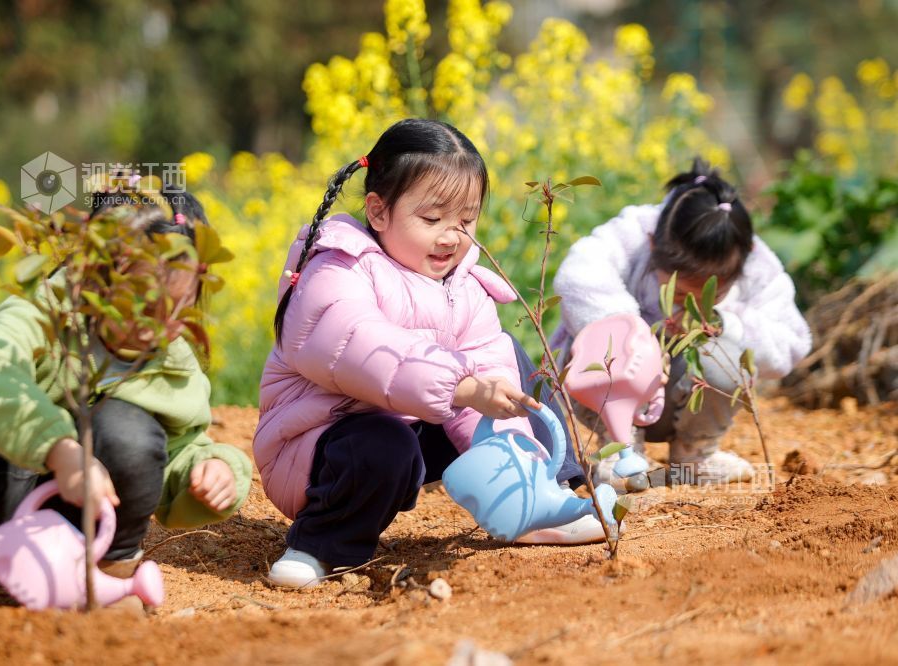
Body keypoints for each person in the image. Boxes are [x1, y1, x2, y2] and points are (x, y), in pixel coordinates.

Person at [255, 118, 605, 589]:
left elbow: (484, 371)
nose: (451, 236)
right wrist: (462, 387)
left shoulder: (463, 284)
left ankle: (539, 496)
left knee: (510, 363)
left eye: (466, 220)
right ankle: (320, 543)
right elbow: (361, 346)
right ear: (378, 212)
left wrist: (489, 409)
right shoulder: (336, 266)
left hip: (415, 423)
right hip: (322, 448)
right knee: (383, 442)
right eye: (432, 219)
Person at [0, 186, 252, 625]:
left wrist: (215, 469)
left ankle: (110, 584)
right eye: (143, 299)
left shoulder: (172, 363)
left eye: (181, 305)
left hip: (78, 548)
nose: (159, 323)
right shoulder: (44, 309)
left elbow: (176, 449)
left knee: (130, 432)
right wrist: (60, 448)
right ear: (97, 274)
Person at [549, 158, 811, 488]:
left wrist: (723, 324)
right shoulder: (635, 230)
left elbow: (793, 341)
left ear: (743, 265)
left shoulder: (756, 261)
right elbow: (578, 276)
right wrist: (635, 337)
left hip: (688, 402)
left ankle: (694, 456)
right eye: (681, 291)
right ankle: (621, 449)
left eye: (712, 295)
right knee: (603, 336)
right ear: (653, 246)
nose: (690, 305)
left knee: (730, 351)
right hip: (610, 397)